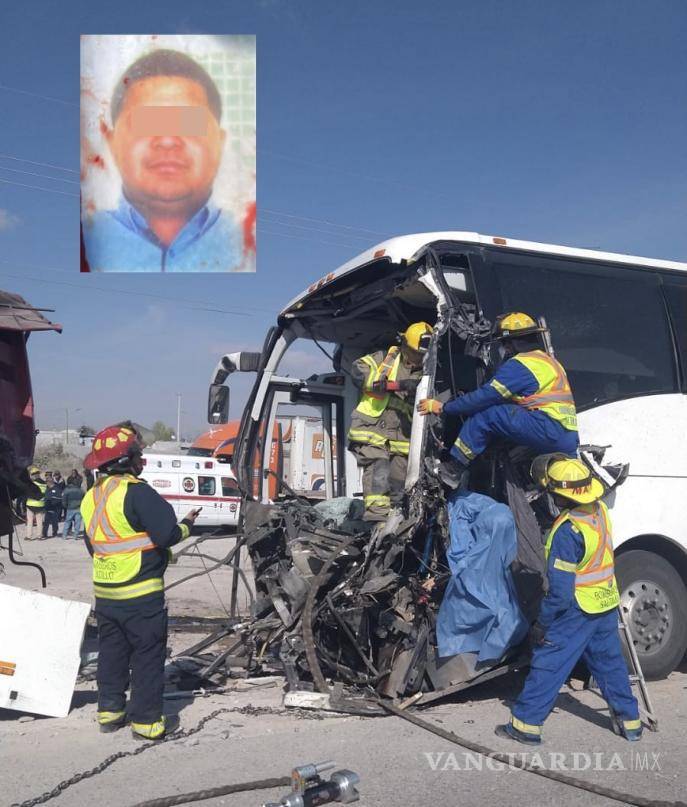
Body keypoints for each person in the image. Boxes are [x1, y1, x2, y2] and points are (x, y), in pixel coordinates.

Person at [496, 455, 641, 744]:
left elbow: (561, 591)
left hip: (577, 608)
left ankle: (526, 725)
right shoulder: (599, 511)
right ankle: (630, 722)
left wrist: (543, 624)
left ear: (560, 495)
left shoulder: (568, 531)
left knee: (550, 661)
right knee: (610, 663)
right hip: (605, 601)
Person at [80, 422, 199, 739]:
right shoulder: (137, 492)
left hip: (106, 593)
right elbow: (166, 535)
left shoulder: (92, 497)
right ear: (128, 459)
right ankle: (147, 724)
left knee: (112, 653)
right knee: (147, 656)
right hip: (140, 594)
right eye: (137, 454)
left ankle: (110, 711)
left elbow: (94, 545)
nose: (140, 459)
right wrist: (187, 525)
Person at [82, 49, 244, 273]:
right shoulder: (87, 239)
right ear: (111, 141)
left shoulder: (247, 245)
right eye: (147, 122)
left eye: (189, 122)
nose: (168, 141)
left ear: (220, 141)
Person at [418, 313, 578, 472]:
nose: (504, 349)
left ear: (511, 344)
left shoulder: (521, 365)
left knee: (487, 415)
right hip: (568, 437)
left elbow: (485, 398)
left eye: (504, 344)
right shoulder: (548, 361)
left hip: (548, 428)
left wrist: (443, 407)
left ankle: (453, 469)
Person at [348, 322, 432, 521]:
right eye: (415, 353)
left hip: (402, 435)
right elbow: (357, 371)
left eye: (422, 355)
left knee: (399, 483)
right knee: (379, 469)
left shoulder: (428, 371)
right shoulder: (385, 359)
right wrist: (397, 385)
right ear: (404, 345)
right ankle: (377, 520)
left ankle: (397, 522)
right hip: (372, 429)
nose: (419, 358)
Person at [24, 466, 46, 541]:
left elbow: (28, 493)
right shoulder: (45, 484)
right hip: (40, 505)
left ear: (33, 475)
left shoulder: (32, 484)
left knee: (30, 521)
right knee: (39, 521)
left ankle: (29, 536)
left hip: (30, 504)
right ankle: (39, 536)